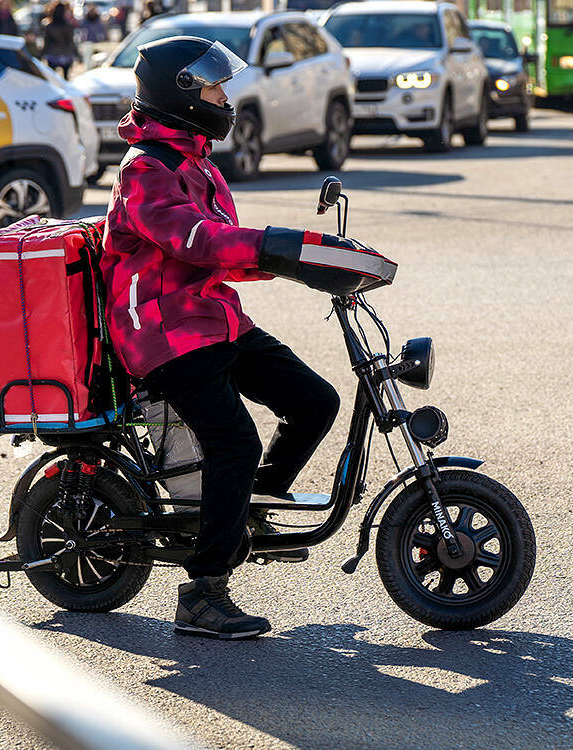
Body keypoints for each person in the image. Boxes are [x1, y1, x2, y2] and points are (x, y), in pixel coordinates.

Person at [102, 36, 366, 640]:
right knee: (235, 443)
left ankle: (248, 510)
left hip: (213, 319)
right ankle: (202, 593)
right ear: (183, 93)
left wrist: (303, 260)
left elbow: (224, 254)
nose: (226, 97)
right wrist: (271, 244)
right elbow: (194, 240)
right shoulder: (146, 170)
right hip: (163, 334)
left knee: (315, 401)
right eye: (217, 87)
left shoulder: (199, 164)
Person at [42, 1, 78, 79]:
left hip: (52, 54)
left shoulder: (49, 26)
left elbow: (46, 42)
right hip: (66, 55)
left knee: (52, 78)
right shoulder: (68, 26)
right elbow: (71, 41)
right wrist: (76, 53)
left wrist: (42, 54)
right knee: (66, 77)